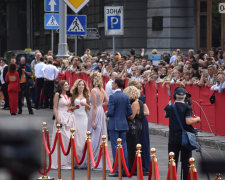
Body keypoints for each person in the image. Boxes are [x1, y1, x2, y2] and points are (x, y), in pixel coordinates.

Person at [164, 87, 201, 180]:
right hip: (185, 138)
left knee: (172, 161)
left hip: (173, 138)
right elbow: (188, 121)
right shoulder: (187, 107)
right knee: (186, 162)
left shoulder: (170, 107)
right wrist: (197, 119)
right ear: (185, 96)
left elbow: (166, 114)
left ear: (174, 96)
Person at [107, 78, 132, 177]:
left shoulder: (112, 97)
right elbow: (129, 112)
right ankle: (125, 169)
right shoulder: (126, 97)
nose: (112, 84)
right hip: (123, 124)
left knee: (115, 148)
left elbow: (111, 112)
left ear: (116, 84)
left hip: (114, 124)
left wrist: (107, 113)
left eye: (113, 83)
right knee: (124, 147)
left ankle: (117, 170)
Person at [51, 80, 78, 169]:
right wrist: (57, 118)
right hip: (60, 116)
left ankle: (67, 161)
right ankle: (61, 162)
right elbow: (55, 107)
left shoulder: (67, 95)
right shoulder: (57, 95)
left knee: (68, 139)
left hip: (68, 117)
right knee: (62, 138)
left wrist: (73, 108)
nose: (67, 86)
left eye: (67, 84)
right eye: (65, 84)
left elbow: (68, 108)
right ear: (61, 86)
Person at [85, 71, 109, 169]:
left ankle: (93, 160)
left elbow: (94, 106)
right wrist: (100, 106)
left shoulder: (94, 90)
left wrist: (92, 121)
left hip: (95, 113)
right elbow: (107, 101)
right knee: (100, 134)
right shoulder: (102, 90)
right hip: (101, 111)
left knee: (94, 134)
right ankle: (98, 159)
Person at [128, 80, 150, 174]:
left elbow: (147, 112)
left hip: (141, 122)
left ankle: (144, 166)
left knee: (142, 143)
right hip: (138, 122)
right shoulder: (133, 98)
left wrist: (138, 113)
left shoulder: (139, 98)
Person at [70, 79, 90, 168]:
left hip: (84, 118)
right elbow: (69, 108)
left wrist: (85, 105)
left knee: (84, 138)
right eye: (79, 85)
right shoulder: (73, 96)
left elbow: (90, 108)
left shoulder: (87, 96)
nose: (81, 86)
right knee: (76, 139)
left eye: (82, 85)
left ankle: (84, 160)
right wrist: (74, 107)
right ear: (76, 86)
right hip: (75, 118)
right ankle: (75, 160)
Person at [123, 86, 144, 171]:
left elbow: (132, 116)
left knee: (132, 147)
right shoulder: (139, 102)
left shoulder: (135, 103)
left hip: (134, 126)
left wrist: (124, 113)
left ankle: (133, 168)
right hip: (136, 125)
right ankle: (132, 167)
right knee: (132, 146)